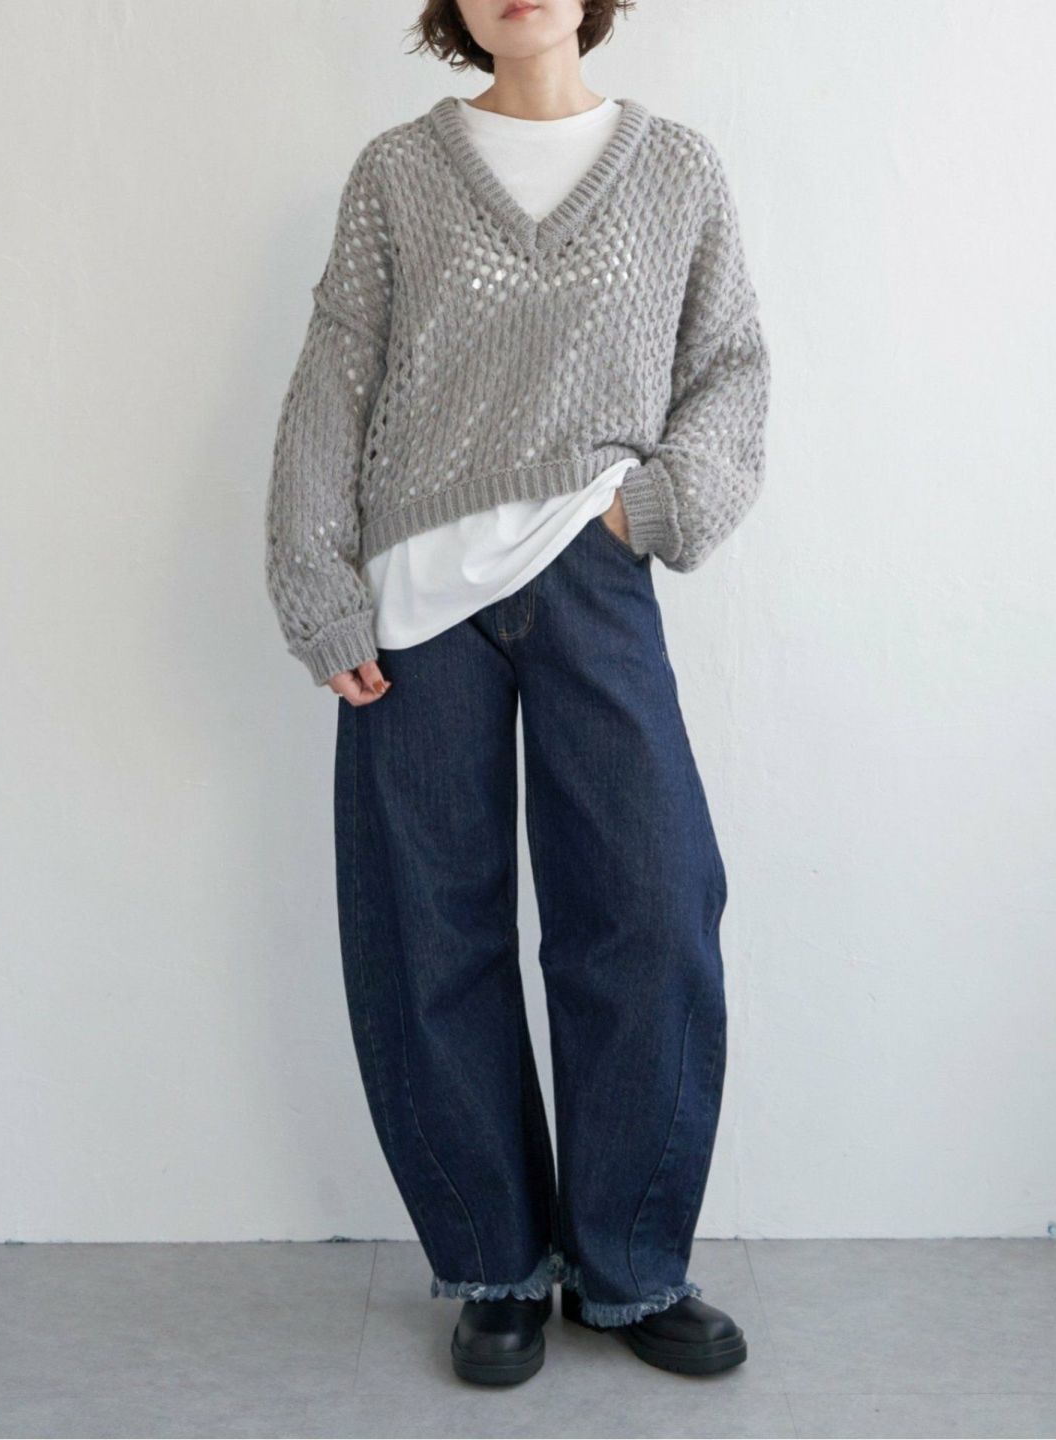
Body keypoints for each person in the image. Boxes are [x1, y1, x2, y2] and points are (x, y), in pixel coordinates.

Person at [264, 0, 771, 1386]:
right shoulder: (397, 175)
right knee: (431, 930)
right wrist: (316, 585)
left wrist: (647, 509)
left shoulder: (676, 170)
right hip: (413, 608)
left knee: (651, 907)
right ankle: (494, 1262)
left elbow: (729, 369)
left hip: (593, 575)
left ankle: (631, 1264)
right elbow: (334, 384)